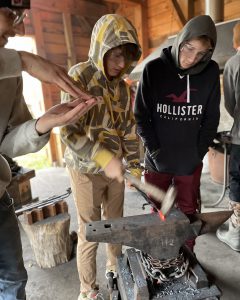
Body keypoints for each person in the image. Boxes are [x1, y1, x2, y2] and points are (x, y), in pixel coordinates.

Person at [0, 3, 97, 300]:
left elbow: (6, 142)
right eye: (12, 14)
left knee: (14, 278)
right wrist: (23, 60)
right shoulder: (16, 64)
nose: (20, 29)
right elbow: (80, 141)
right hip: (85, 172)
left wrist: (42, 124)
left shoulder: (11, 75)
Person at [60, 14, 142, 300]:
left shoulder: (121, 86)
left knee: (115, 225)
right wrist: (103, 157)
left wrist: (134, 164)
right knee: (90, 231)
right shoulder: (79, 76)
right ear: (101, 47)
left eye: (126, 57)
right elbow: (68, 133)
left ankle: (114, 270)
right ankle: (88, 290)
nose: (121, 64)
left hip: (115, 169)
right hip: (85, 170)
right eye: (116, 54)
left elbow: (128, 128)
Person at [134, 15, 220, 251]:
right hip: (156, 160)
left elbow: (211, 118)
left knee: (188, 213)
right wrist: (155, 150)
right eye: (188, 49)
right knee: (159, 213)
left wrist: (197, 153)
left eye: (201, 54)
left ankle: (187, 257)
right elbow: (141, 116)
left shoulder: (211, 72)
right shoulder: (154, 69)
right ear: (181, 41)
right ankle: (162, 256)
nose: (192, 59)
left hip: (189, 162)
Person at [216, 22, 240, 252]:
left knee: (237, 180)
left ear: (235, 43)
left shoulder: (233, 64)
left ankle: (236, 233)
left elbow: (230, 104)